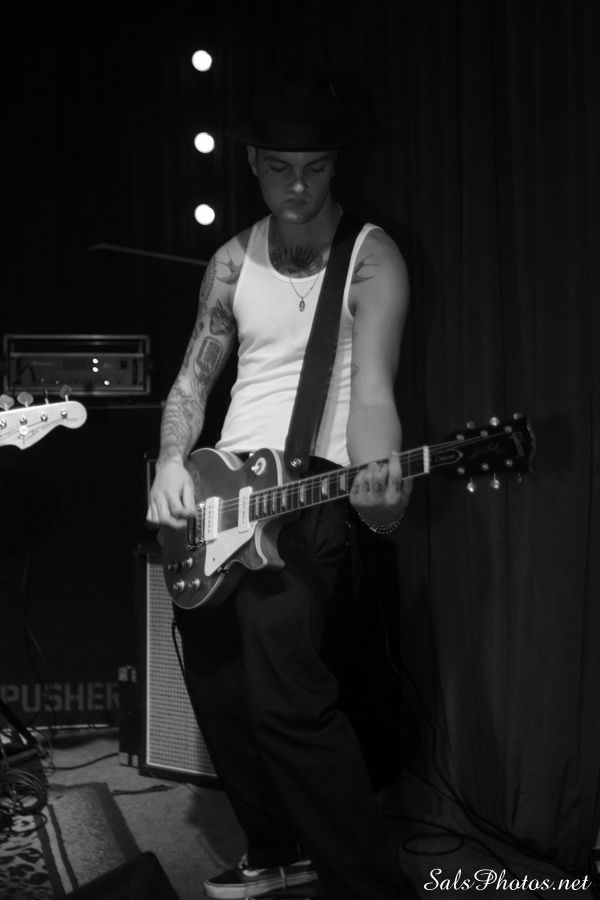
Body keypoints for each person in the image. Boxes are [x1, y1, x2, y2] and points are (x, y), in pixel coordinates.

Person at [147, 73, 417, 900]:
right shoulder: (232, 261)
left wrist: (380, 491)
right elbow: (193, 381)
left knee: (287, 700)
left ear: (336, 165)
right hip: (217, 493)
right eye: (280, 169)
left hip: (309, 496)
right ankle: (276, 848)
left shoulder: (371, 258)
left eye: (317, 168)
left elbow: (373, 393)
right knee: (219, 689)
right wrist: (170, 462)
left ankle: (369, 885)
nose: (298, 186)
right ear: (253, 164)